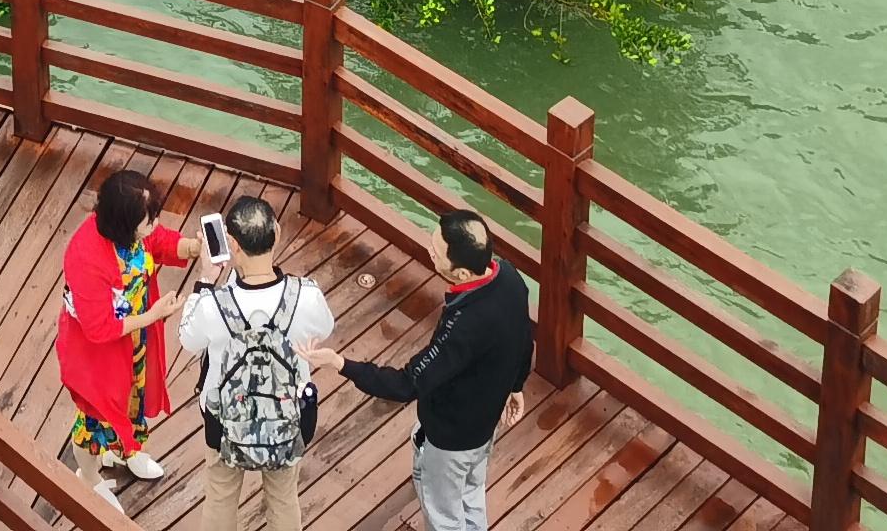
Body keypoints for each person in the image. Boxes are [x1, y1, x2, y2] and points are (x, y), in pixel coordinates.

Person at [324, 208, 531, 531]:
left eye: (436, 251)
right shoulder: (510, 279)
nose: (429, 249)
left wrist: (342, 364)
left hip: (450, 440)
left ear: (461, 274)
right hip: (484, 427)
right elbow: (524, 338)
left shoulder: (464, 328)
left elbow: (407, 383)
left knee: (443, 513)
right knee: (471, 491)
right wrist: (516, 384)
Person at [173, 193, 333, 531]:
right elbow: (325, 328)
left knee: (220, 496)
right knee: (284, 497)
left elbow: (187, 340)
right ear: (277, 232)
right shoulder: (305, 297)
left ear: (232, 243)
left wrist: (205, 279)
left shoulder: (214, 305)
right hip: (288, 416)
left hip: (224, 418)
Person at [56, 167, 199, 505]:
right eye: (148, 220)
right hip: (98, 357)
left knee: (134, 399)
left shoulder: (133, 232)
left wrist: (192, 247)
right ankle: (88, 478)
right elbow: (98, 328)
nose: (153, 225)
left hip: (133, 343)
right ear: (125, 224)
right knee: (93, 420)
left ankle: (127, 451)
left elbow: (160, 240)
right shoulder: (85, 257)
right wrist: (152, 316)